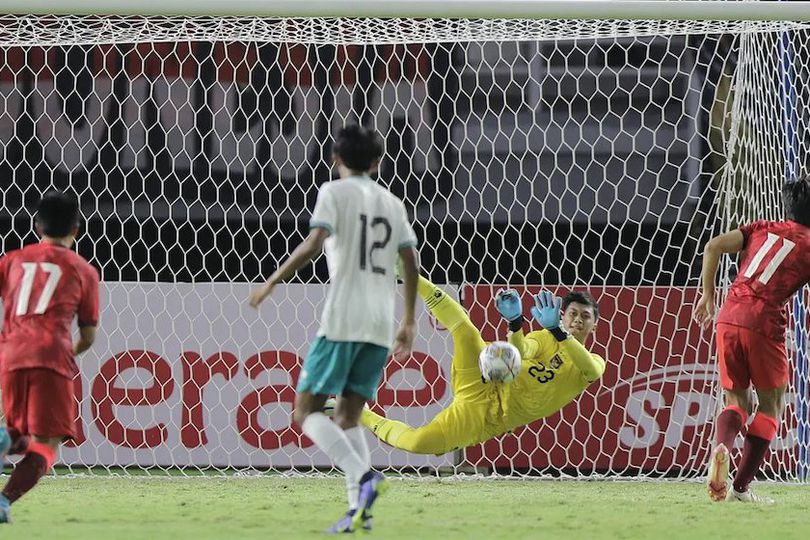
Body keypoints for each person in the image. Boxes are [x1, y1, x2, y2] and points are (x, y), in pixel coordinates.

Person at [248, 124, 420, 533]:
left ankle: (364, 478)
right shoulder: (393, 203)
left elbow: (312, 244)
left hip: (343, 318)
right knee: (347, 416)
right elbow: (410, 262)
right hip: (380, 323)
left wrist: (271, 281)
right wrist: (409, 321)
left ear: (335, 159)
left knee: (305, 411)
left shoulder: (332, 192)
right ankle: (360, 510)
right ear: (378, 163)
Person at [351, 274, 605, 456]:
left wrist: (559, 332)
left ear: (595, 325)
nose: (578, 320)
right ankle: (406, 271)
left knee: (421, 444)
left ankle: (359, 412)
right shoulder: (545, 337)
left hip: (487, 416)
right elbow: (520, 351)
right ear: (563, 316)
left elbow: (590, 371)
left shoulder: (593, 362)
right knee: (466, 332)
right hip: (484, 378)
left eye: (585, 316)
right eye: (572, 313)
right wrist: (516, 323)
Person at [695, 177, 810, 504]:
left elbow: (713, 245)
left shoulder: (762, 227)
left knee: (735, 402)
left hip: (729, 315)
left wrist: (707, 295)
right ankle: (741, 488)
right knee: (771, 407)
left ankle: (722, 447)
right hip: (764, 322)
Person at [0, 191, 100, 523]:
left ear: (36, 224)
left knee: (17, 432)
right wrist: (60, 354)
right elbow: (87, 337)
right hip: (52, 355)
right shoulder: (84, 271)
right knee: (47, 445)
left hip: (11, 355)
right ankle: (3, 502)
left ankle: (6, 438)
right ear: (77, 228)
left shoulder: (12, 259)